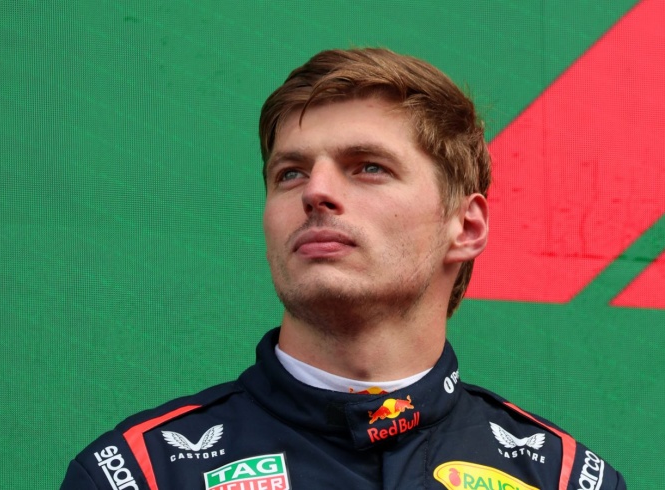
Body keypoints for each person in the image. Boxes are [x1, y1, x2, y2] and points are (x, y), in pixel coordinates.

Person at [61, 48, 626, 490]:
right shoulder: (140, 474)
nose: (316, 192)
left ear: (466, 226)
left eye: (368, 167)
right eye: (290, 173)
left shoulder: (565, 479)